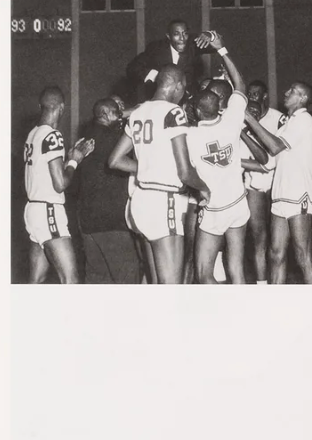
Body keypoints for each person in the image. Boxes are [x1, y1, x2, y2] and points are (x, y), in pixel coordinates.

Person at [183, 31, 271, 284]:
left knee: (204, 273)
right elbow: (241, 85)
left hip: (214, 207)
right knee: (236, 268)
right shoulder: (232, 121)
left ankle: (222, 306)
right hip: (238, 205)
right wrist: (221, 49)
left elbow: (185, 172)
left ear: (197, 110)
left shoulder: (189, 136)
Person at [107, 64, 204, 284]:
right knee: (171, 286)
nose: (183, 93)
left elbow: (115, 160)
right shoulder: (173, 112)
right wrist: (205, 189)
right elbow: (185, 172)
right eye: (183, 87)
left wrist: (148, 167)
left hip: (140, 201)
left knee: (155, 282)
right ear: (177, 86)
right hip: (163, 201)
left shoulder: (139, 112)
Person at [21, 87, 94, 283]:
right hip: (49, 211)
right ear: (61, 108)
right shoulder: (53, 136)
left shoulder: (33, 134)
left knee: (36, 280)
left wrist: (68, 158)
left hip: (33, 211)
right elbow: (60, 184)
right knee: (71, 279)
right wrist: (74, 161)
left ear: (41, 106)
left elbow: (45, 172)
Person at [75, 97, 140, 284]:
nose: (120, 115)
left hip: (87, 221)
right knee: (128, 278)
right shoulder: (111, 138)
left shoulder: (89, 134)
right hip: (110, 221)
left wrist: (122, 113)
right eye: (116, 111)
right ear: (104, 114)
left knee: (97, 278)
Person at [265, 78, 312, 285]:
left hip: (298, 194)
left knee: (302, 255)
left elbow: (274, 146)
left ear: (303, 98)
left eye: (293, 90)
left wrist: (248, 119)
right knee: (276, 254)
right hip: (281, 194)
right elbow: (269, 162)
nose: (286, 92)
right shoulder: (286, 124)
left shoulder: (304, 120)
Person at [239, 80, 284, 282]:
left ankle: (277, 282)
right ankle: (261, 284)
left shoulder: (279, 118)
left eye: (256, 93)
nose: (252, 97)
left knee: (277, 242)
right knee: (259, 238)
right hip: (254, 185)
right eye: (249, 93)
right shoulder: (242, 119)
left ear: (265, 96)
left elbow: (281, 154)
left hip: (277, 185)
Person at [124, 21, 204, 103]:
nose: (182, 38)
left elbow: (210, 46)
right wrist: (155, 75)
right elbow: (132, 68)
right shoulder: (156, 49)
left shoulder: (192, 47)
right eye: (176, 34)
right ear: (168, 36)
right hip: (159, 101)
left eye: (185, 33)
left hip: (185, 102)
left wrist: (210, 36)